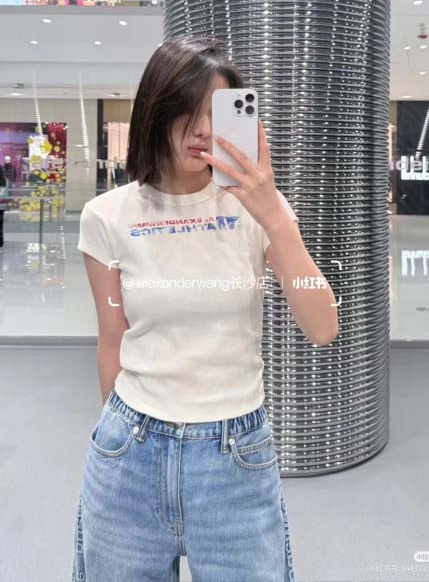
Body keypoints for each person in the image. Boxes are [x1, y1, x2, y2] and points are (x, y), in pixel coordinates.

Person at [72, 35, 301, 582]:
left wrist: (273, 214)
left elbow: (323, 324)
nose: (202, 131)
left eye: (218, 115)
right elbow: (112, 337)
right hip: (130, 452)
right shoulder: (107, 215)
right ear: (156, 111)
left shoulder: (256, 210)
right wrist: (120, 436)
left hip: (235, 455)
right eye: (188, 112)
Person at [0, 163, 7, 248]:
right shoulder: (4, 181)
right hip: (1, 205)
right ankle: (0, 241)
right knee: (0, 224)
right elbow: (3, 194)